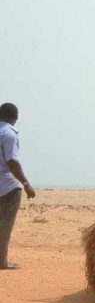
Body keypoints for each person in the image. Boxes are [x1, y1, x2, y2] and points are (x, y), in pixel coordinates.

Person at [0, 103, 35, 270]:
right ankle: (2, 260)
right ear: (15, 118)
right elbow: (12, 161)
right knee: (5, 224)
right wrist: (26, 183)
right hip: (7, 187)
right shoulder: (9, 134)